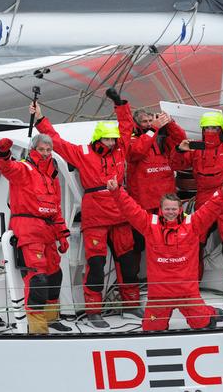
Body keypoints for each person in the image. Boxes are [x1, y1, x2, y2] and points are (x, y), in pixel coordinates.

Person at [30, 103, 141, 328]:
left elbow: (127, 127)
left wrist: (121, 105)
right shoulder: (83, 153)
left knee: (128, 262)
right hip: (96, 216)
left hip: (121, 213)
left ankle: (131, 305)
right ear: (98, 139)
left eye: (113, 139)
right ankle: (94, 312)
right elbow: (57, 142)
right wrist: (40, 118)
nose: (111, 143)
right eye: (107, 139)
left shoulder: (121, 149)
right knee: (96, 264)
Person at [107, 175, 223, 331]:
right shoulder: (149, 225)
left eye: (174, 209)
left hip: (187, 295)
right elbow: (131, 210)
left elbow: (209, 209)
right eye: (167, 209)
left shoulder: (193, 224)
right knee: (151, 330)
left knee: (203, 325)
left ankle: (208, 312)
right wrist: (116, 192)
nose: (170, 212)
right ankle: (206, 311)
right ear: (161, 209)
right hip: (159, 296)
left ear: (180, 209)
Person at [170, 89, 223, 294]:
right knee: (194, 243)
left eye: (214, 127)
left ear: (221, 129)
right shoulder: (195, 151)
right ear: (202, 131)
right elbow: (175, 164)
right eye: (207, 128)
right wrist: (180, 150)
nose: (210, 131)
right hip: (205, 204)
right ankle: (192, 288)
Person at [0, 135, 72, 334]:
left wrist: (62, 235)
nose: (45, 154)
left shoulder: (51, 176)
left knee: (55, 275)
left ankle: (52, 319)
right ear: (33, 149)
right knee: (37, 279)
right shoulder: (24, 169)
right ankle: (38, 329)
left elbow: (56, 208)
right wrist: (3, 153)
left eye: (48, 150)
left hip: (48, 231)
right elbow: (6, 167)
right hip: (28, 230)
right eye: (42, 149)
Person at [106, 87, 186, 271]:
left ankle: (170, 276)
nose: (149, 124)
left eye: (151, 120)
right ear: (137, 124)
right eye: (145, 122)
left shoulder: (161, 139)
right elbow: (135, 153)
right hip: (144, 205)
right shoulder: (134, 140)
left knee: (169, 244)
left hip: (166, 205)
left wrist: (169, 123)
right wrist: (153, 130)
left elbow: (181, 139)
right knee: (141, 247)